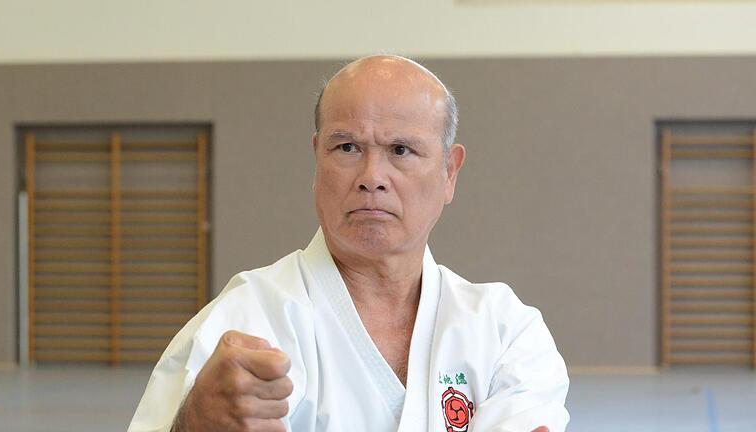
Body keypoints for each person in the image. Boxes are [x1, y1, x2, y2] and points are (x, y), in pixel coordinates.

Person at [128, 55, 569, 432]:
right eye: (347, 148)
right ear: (317, 158)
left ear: (449, 173)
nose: (372, 178)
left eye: (400, 150)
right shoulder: (245, 323)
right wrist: (191, 424)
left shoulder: (504, 331)